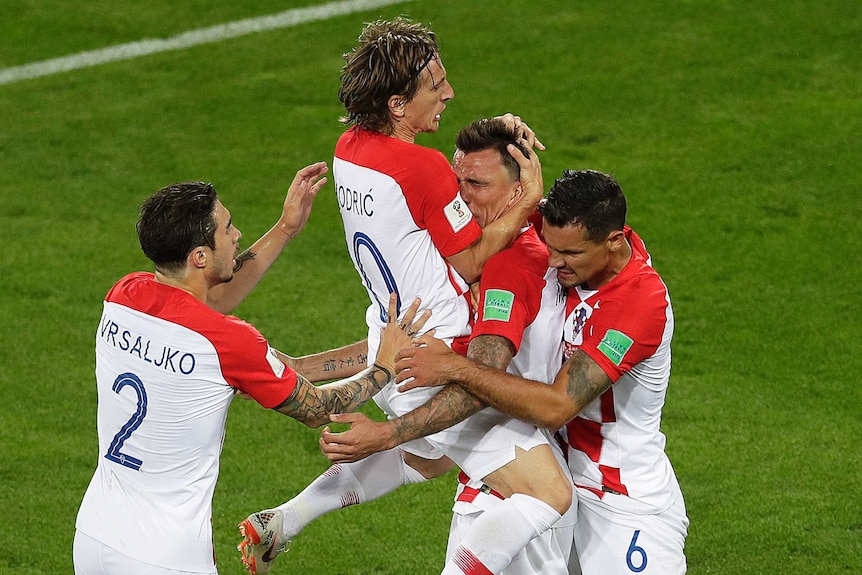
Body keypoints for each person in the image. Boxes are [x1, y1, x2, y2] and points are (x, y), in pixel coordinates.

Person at [237, 18, 572, 575]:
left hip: (390, 345)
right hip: (439, 360)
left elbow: (436, 198)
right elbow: (470, 258)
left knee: (428, 456)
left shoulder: (350, 149)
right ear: (397, 102)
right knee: (547, 494)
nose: (448, 93)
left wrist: (498, 130)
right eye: (435, 84)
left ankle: (283, 521)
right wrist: (528, 196)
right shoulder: (423, 167)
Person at [72, 171, 430, 575]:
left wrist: (285, 228)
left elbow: (206, 302)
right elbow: (320, 407)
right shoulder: (230, 343)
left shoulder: (124, 295)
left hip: (94, 536)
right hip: (164, 556)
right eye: (227, 228)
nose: (237, 233)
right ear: (200, 256)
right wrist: (384, 364)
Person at [396, 169, 690, 574]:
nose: (553, 261)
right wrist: (511, 140)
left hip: (621, 501)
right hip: (551, 485)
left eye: (569, 255)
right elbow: (494, 198)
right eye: (551, 247)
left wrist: (457, 368)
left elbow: (556, 408)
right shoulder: (569, 237)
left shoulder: (639, 303)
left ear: (613, 242)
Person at [320, 117, 579, 575]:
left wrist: (388, 431)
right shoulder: (517, 240)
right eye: (457, 181)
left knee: (436, 459)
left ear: (519, 193)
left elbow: (480, 376)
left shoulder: (505, 267)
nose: (459, 196)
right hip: (513, 474)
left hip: (518, 465)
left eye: (475, 185)